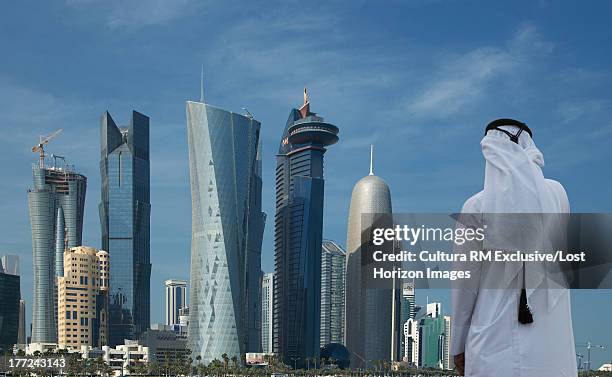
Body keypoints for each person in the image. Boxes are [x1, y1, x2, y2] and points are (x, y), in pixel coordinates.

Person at [451, 119, 577, 377]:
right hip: (552, 339)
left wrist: (457, 345)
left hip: (492, 339)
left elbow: (465, 285)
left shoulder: (475, 207)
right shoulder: (558, 196)